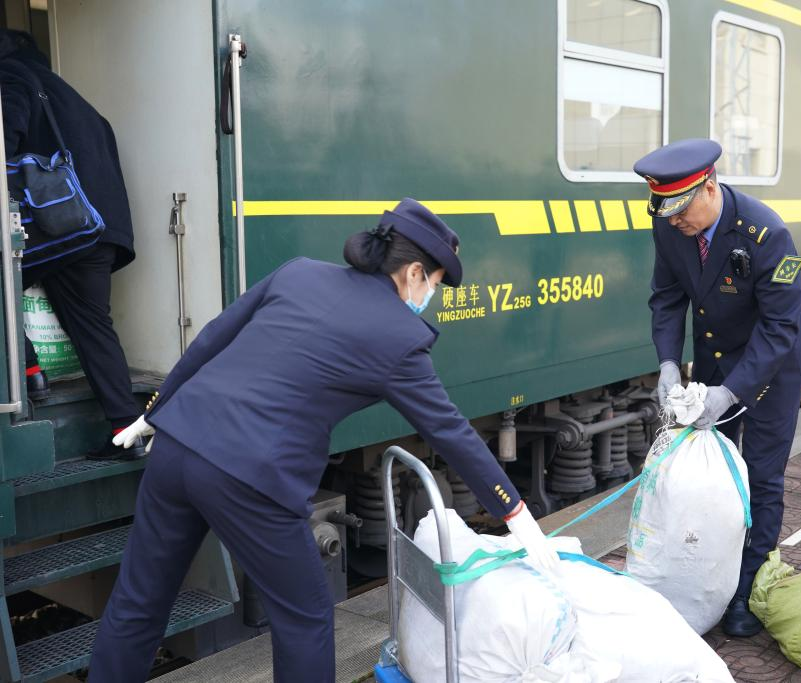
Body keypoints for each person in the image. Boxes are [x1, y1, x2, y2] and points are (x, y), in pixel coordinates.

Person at [87, 198, 560, 682]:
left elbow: (213, 336)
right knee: (306, 615)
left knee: (139, 601)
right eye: (436, 283)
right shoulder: (400, 337)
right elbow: (451, 433)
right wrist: (514, 512)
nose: (431, 295)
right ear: (416, 273)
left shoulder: (300, 273)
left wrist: (156, 412)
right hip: (249, 477)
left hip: (177, 444)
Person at [635, 139, 801, 637]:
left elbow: (780, 328)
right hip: (713, 362)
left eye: (681, 210)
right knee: (714, 475)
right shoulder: (671, 224)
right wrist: (668, 364)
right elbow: (667, 299)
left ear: (709, 187)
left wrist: (730, 394)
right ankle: (710, 572)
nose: (674, 222)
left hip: (772, 369)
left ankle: (746, 589)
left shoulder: (768, 233)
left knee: (761, 475)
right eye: (664, 212)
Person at [0, 30, 143, 459]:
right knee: (95, 328)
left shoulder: (10, 78)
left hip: (56, 228)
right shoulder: (76, 99)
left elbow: (4, 138)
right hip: (96, 231)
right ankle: (127, 432)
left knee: (4, 285)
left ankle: (27, 370)